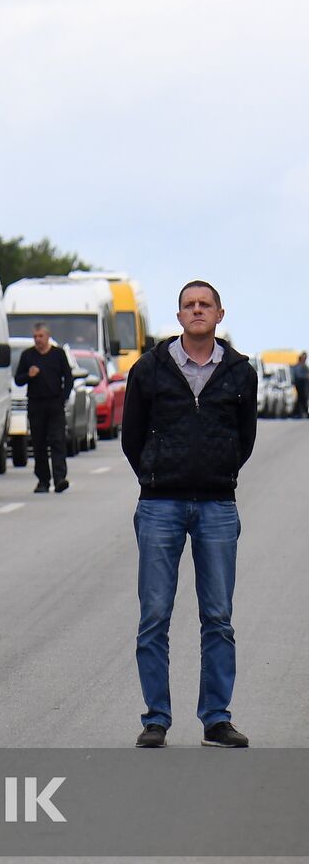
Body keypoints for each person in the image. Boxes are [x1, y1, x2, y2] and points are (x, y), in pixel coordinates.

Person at [121, 280, 257, 749]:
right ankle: (156, 718)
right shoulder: (150, 369)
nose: (196, 311)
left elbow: (245, 438)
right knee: (155, 615)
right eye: (188, 305)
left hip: (218, 505)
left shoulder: (240, 372)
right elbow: (131, 437)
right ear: (178, 316)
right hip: (159, 505)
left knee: (218, 616)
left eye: (205, 305)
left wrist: (216, 471)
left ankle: (217, 718)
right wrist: (158, 474)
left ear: (220, 314)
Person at [12, 323, 72, 493]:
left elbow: (67, 377)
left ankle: (60, 478)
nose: (38, 340)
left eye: (41, 336)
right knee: (39, 443)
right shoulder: (28, 356)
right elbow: (18, 379)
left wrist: (63, 397)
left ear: (47, 337)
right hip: (36, 404)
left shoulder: (58, 354)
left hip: (54, 404)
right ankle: (43, 480)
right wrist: (28, 375)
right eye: (35, 337)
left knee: (57, 441)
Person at [292, 352, 308, 419]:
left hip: (305, 385)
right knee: (301, 399)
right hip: (300, 385)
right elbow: (298, 376)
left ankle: (302, 412)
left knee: (303, 399)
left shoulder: (305, 366)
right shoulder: (298, 366)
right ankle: (300, 413)